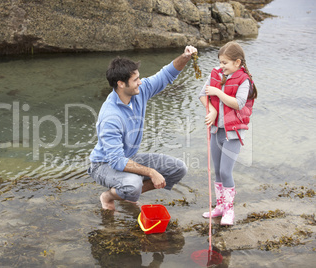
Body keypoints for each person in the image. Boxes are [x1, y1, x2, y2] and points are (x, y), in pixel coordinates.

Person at [88, 46, 197, 210]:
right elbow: (116, 161)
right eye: (135, 79)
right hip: (103, 165)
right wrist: (151, 172)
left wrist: (185, 57)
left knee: (178, 168)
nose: (140, 82)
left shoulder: (139, 91)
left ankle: (127, 195)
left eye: (139, 77)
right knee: (133, 184)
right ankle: (108, 196)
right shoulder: (110, 117)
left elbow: (166, 74)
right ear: (121, 84)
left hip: (128, 157)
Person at [198, 41, 258, 225]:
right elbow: (202, 94)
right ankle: (219, 207)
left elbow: (238, 104)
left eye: (225, 63)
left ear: (237, 62)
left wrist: (217, 91)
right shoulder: (216, 74)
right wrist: (212, 110)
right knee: (216, 170)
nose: (221, 66)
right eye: (220, 62)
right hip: (217, 130)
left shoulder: (244, 80)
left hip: (233, 134)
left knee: (225, 171)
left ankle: (229, 211)